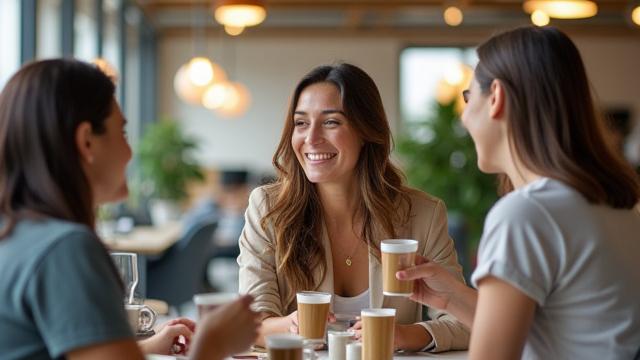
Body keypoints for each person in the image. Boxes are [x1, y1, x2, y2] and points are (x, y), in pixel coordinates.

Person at [396, 26, 640, 359]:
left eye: (468, 98)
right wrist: (451, 298)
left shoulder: (527, 214)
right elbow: (557, 330)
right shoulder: (617, 209)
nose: (464, 117)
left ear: (495, 97)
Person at [0, 59, 259, 360]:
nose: (129, 152)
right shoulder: (66, 248)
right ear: (86, 141)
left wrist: (140, 349)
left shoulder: (17, 234)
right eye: (122, 133)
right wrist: (213, 343)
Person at [238, 63, 469, 352]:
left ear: (366, 131)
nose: (311, 138)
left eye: (331, 122)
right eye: (301, 123)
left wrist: (405, 335)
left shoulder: (422, 214)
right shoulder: (268, 209)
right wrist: (291, 326)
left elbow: (465, 321)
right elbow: (250, 323)